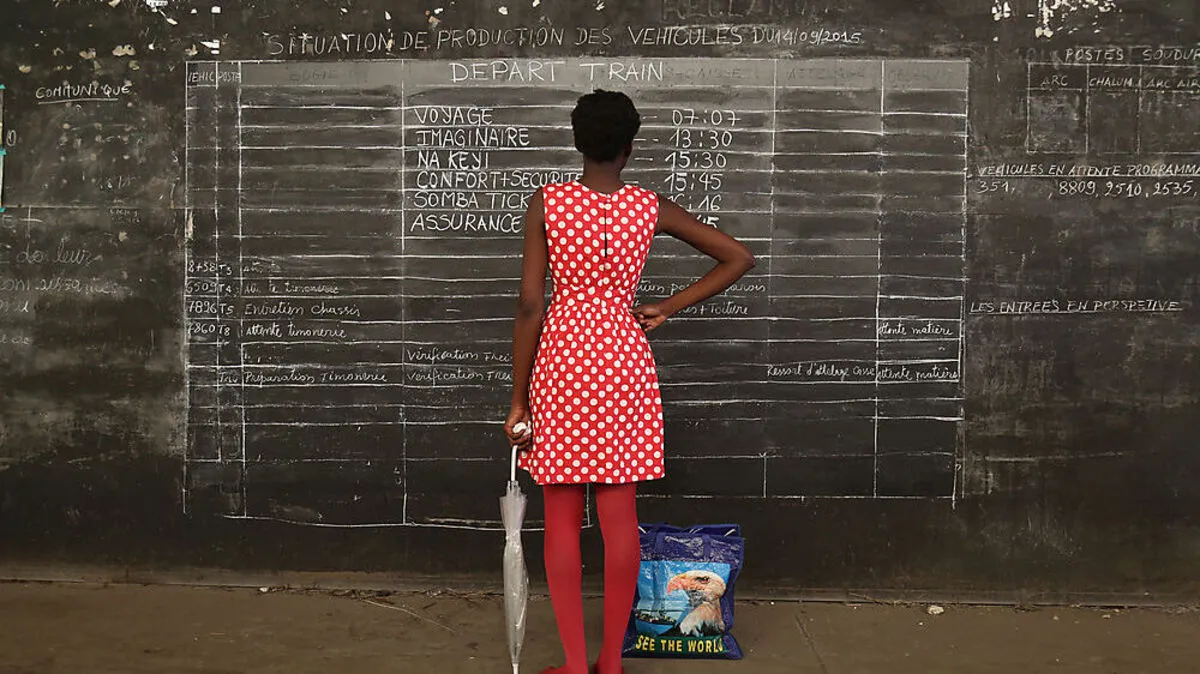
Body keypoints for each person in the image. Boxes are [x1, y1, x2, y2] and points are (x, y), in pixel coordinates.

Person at [504, 89, 756, 674]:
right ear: (629, 148)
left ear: (577, 142)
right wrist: (667, 306)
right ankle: (611, 665)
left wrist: (518, 400)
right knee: (620, 519)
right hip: (624, 363)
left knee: (561, 518)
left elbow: (529, 305)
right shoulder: (648, 206)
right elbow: (738, 257)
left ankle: (575, 664)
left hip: (563, 363)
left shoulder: (548, 203)